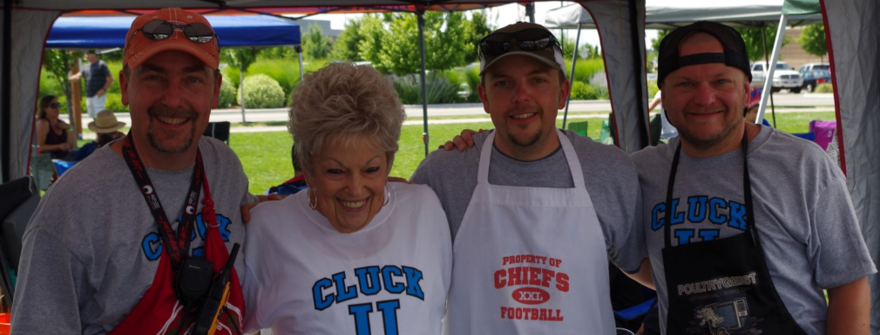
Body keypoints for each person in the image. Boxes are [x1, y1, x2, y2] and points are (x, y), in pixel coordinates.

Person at [12, 8, 257, 334]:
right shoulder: (73, 206)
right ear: (126, 87)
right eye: (154, 77)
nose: (173, 98)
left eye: (192, 79)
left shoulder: (224, 166)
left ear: (215, 90)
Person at [631, 21, 874, 334]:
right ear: (663, 98)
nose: (705, 99)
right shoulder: (641, 173)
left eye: (721, 82)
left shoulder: (802, 165)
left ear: (746, 92)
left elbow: (849, 283)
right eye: (686, 84)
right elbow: (634, 260)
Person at [410, 22, 645, 334]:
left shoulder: (611, 170)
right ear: (484, 97)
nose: (522, 96)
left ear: (563, 92)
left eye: (537, 80)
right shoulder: (442, 174)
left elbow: (646, 269)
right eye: (504, 83)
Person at [242, 62, 451, 334]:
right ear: (307, 168)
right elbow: (226, 322)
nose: (355, 188)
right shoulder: (269, 228)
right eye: (336, 171)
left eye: (371, 170)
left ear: (388, 163)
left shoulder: (423, 209)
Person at [69, 50, 114, 119]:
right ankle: (96, 129)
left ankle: (102, 129)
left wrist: (103, 90)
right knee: (92, 115)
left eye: (88, 54)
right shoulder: (86, 66)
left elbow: (110, 79)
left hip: (98, 95)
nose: (86, 56)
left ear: (94, 55)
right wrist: (67, 79)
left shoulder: (101, 64)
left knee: (100, 115)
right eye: (86, 54)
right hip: (89, 96)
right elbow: (78, 76)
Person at [34, 94, 77, 160]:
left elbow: (71, 146)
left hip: (66, 157)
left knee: (90, 150)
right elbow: (39, 147)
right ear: (45, 109)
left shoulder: (61, 123)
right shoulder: (43, 123)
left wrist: (69, 128)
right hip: (54, 161)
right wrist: (58, 147)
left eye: (58, 105)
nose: (57, 108)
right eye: (53, 105)